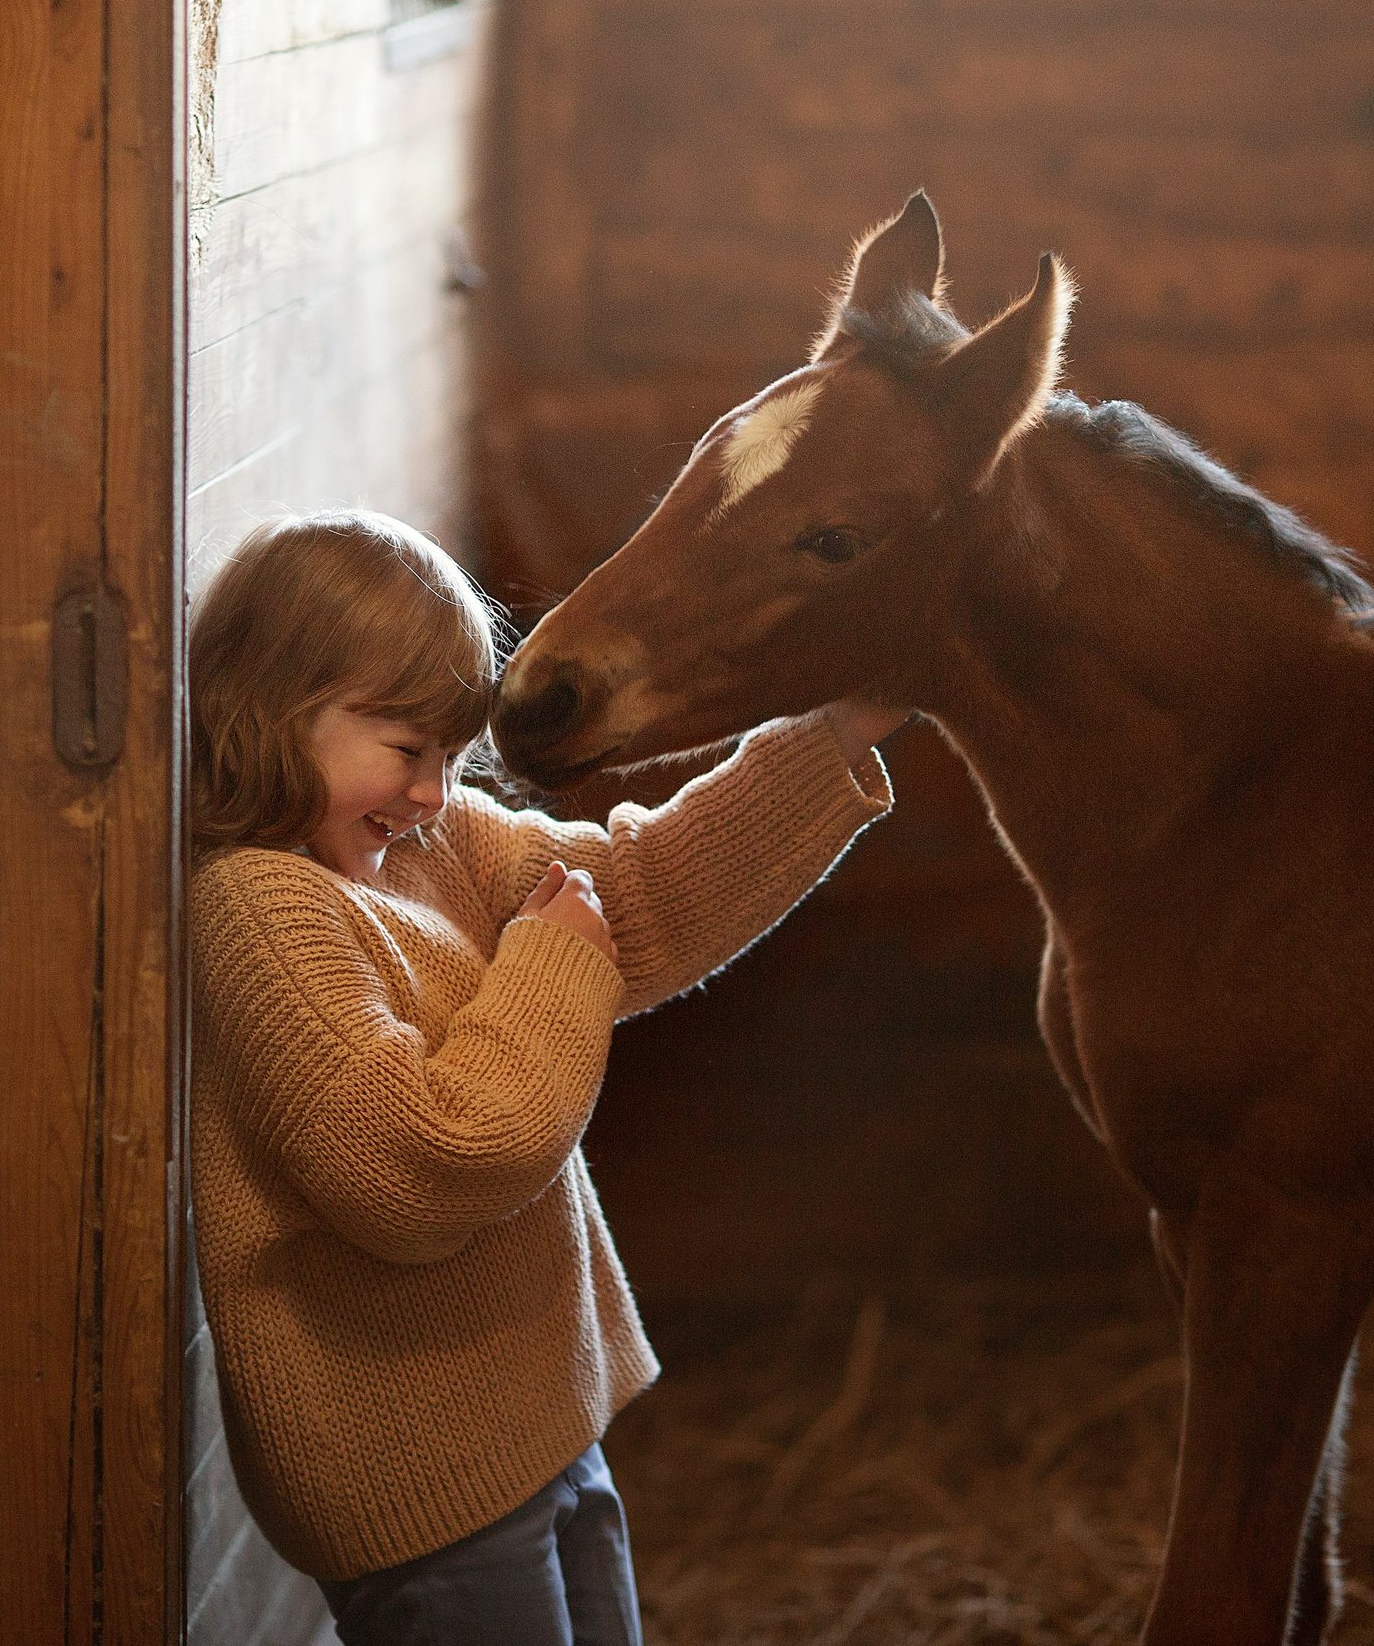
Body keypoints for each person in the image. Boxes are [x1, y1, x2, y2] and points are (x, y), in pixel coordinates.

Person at [188, 509, 904, 1645]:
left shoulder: (439, 847)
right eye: (404, 749)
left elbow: (643, 895)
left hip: (539, 1416)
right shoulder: (261, 912)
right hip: (417, 1479)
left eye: (450, 755)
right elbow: (419, 1166)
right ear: (272, 711)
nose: (430, 790)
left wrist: (838, 727)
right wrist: (549, 967)